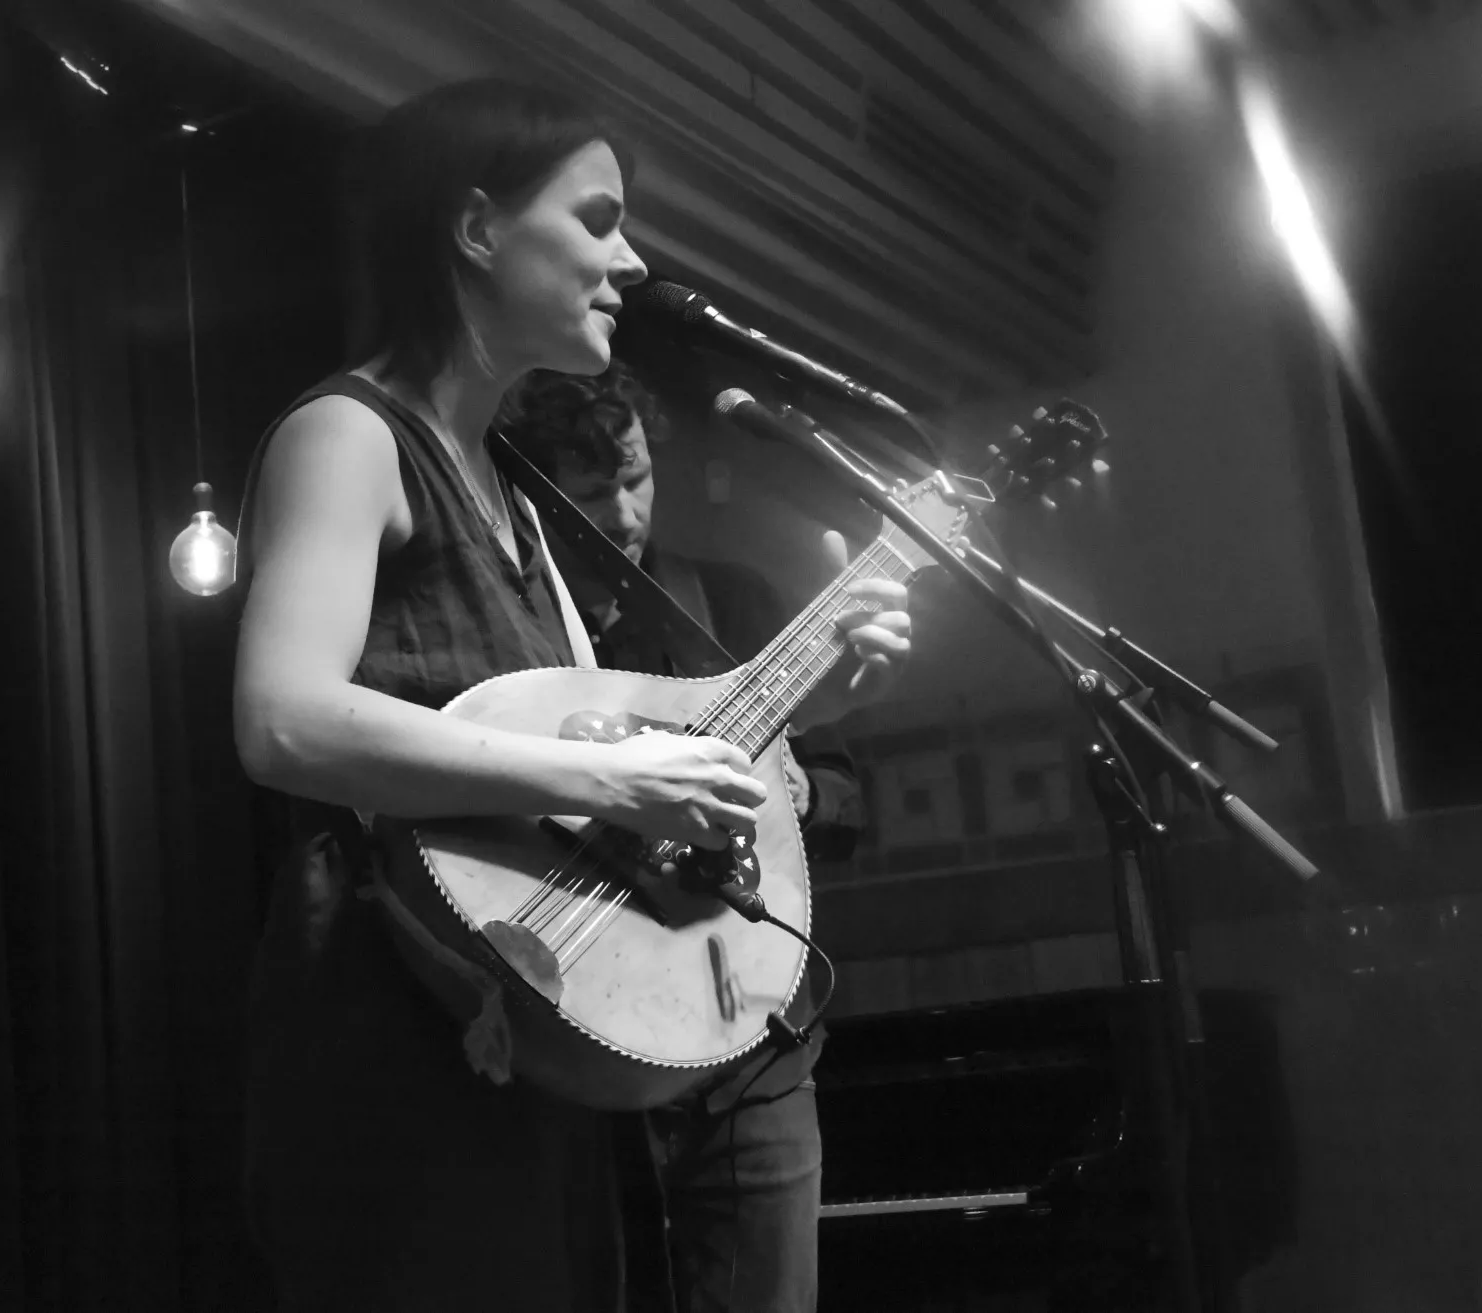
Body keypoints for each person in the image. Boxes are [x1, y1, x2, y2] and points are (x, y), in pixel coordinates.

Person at [229, 79, 911, 1313]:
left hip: (516, 1035)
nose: (631, 260)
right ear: (477, 229)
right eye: (597, 218)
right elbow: (282, 718)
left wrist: (812, 696)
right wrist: (612, 777)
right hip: (394, 1031)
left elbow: (602, 747)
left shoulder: (521, 501)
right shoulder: (347, 436)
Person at [501, 364, 866, 1313]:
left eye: (636, 476)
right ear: (538, 499)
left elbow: (848, 796)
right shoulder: (518, 637)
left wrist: (801, 791)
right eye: (593, 493)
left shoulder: (729, 604)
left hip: (753, 1048)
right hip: (585, 1038)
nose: (624, 513)